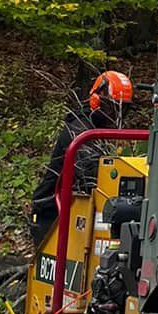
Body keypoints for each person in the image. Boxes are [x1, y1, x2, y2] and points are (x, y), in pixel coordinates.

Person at [29, 70, 135, 240]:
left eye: (123, 108)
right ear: (96, 99)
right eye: (113, 107)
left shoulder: (98, 130)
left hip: (76, 209)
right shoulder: (78, 129)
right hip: (51, 213)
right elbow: (89, 171)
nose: (116, 115)